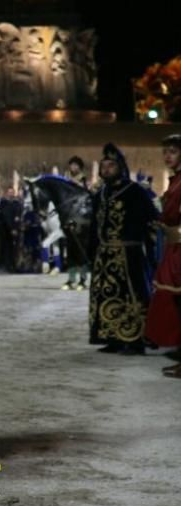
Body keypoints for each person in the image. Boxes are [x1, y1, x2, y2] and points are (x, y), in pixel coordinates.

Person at [88, 143, 158, 355]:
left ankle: (135, 340)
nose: (106, 169)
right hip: (104, 254)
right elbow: (95, 224)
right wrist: (92, 249)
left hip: (128, 254)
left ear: (120, 167)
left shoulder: (134, 191)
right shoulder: (100, 194)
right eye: (104, 165)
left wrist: (147, 245)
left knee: (131, 294)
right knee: (105, 295)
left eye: (111, 165)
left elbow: (151, 219)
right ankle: (112, 337)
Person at [146, 135, 181, 376]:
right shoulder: (175, 180)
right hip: (174, 246)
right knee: (173, 303)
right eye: (165, 151)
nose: (168, 156)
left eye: (173, 151)